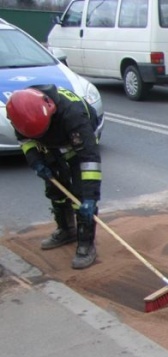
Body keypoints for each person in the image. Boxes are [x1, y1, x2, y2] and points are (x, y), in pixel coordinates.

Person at [6, 85, 102, 270]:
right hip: (50, 146)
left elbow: (89, 160)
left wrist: (91, 197)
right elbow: (25, 140)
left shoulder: (74, 116)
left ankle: (86, 244)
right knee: (55, 187)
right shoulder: (20, 111)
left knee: (80, 196)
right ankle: (66, 230)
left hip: (79, 143)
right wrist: (35, 161)